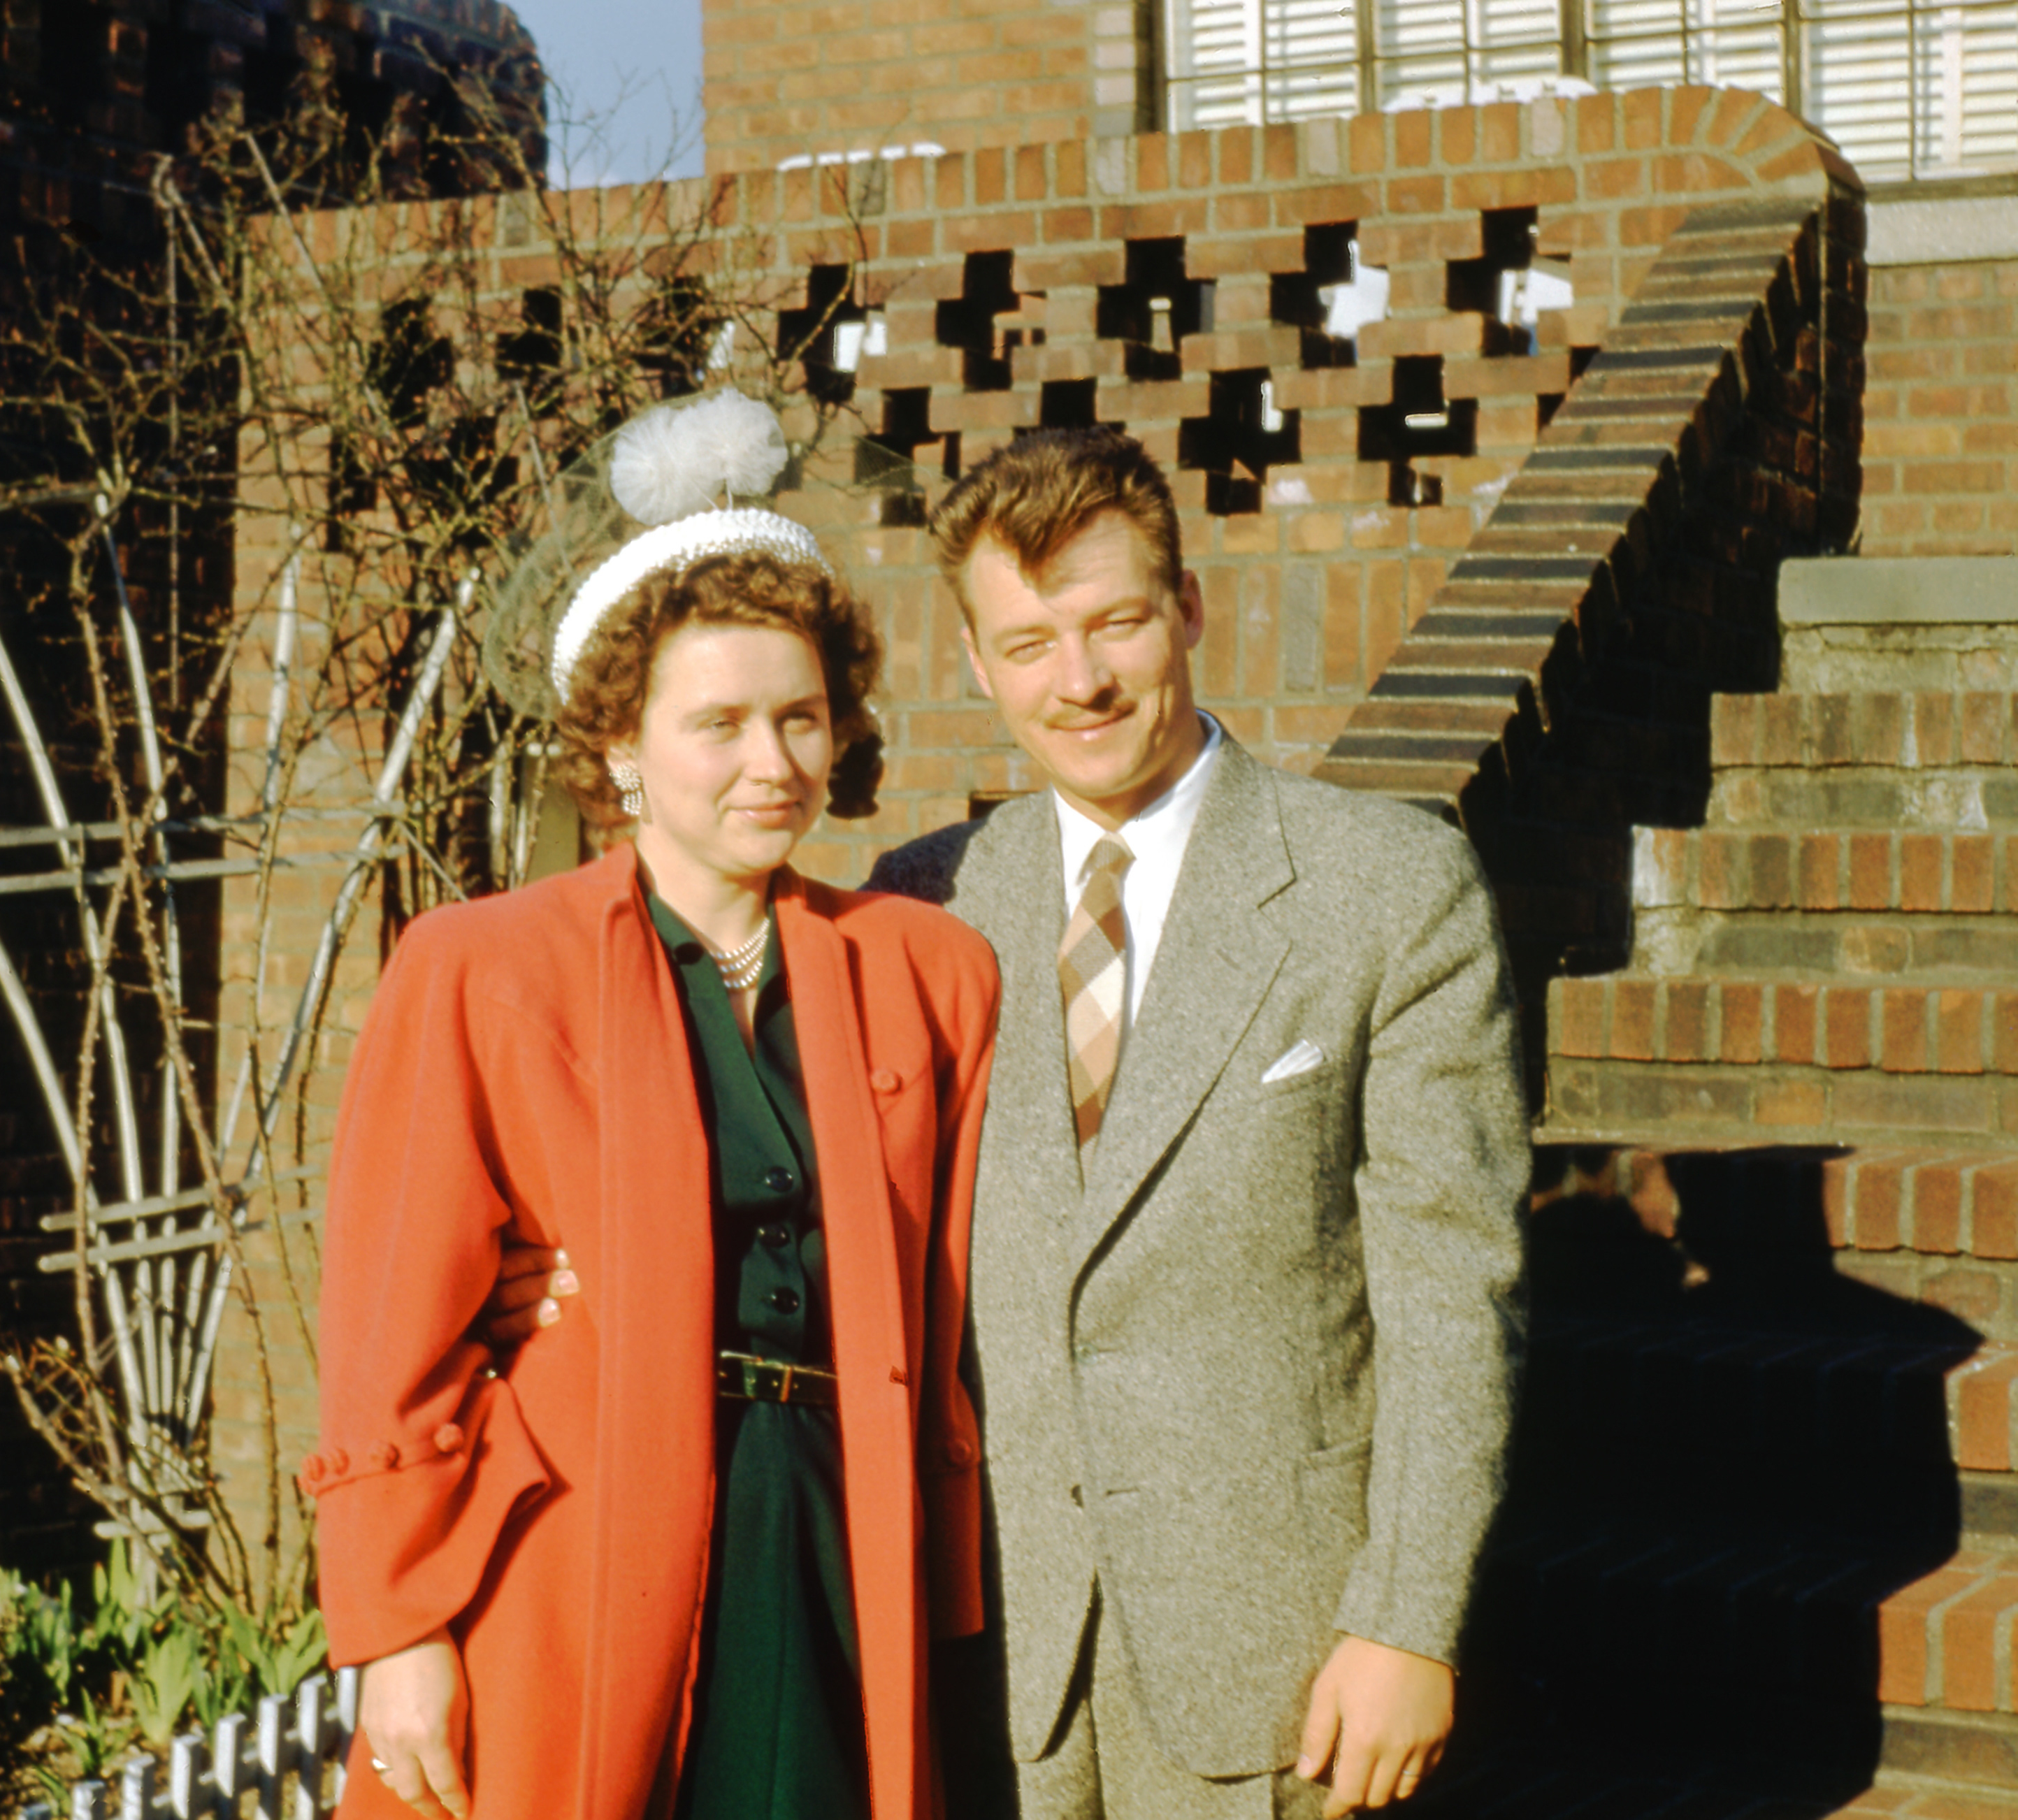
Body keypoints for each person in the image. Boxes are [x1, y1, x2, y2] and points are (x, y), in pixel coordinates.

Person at [487, 425, 1528, 1819]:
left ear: (1189, 613)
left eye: (1116, 623)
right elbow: (773, 1187)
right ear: (977, 664)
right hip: (982, 1659)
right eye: (1028, 643)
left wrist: (1407, 1622)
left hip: (1276, 1654)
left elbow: (1455, 1296)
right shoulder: (923, 908)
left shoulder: (1386, 890)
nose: (1081, 680)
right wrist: (550, 1283)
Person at [305, 393, 1002, 1820]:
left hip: (833, 1536)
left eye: (802, 718)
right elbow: (391, 1332)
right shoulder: (481, 969)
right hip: (567, 1548)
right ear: (621, 744)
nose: (774, 763)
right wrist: (397, 1629)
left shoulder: (927, 971)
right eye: (722, 724)